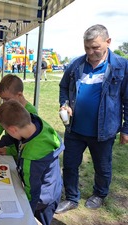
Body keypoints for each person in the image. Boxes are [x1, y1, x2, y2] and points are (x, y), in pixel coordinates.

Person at [56, 24, 128, 214]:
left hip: (104, 131)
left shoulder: (121, 66)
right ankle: (71, 197)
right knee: (70, 165)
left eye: (95, 47)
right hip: (74, 129)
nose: (90, 52)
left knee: (102, 167)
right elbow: (63, 87)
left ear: (108, 42)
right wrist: (64, 104)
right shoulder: (76, 64)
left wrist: (126, 128)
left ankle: (99, 194)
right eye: (87, 47)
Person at [0, 100, 64, 225]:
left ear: (12, 130)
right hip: (52, 185)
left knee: (41, 220)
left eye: (7, 130)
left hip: (43, 198)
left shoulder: (32, 158)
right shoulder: (34, 122)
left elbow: (32, 193)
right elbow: (16, 136)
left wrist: (27, 218)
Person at [0, 74, 37, 160]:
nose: (4, 102)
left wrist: (9, 151)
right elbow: (0, 125)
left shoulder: (31, 112)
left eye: (7, 99)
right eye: (3, 99)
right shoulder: (9, 107)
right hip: (10, 152)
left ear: (19, 95)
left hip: (23, 157)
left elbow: (28, 141)